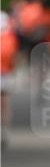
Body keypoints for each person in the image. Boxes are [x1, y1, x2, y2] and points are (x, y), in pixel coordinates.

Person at [1, 11, 19, 149]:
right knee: (5, 104)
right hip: (6, 72)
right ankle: (5, 130)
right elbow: (14, 57)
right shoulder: (10, 38)